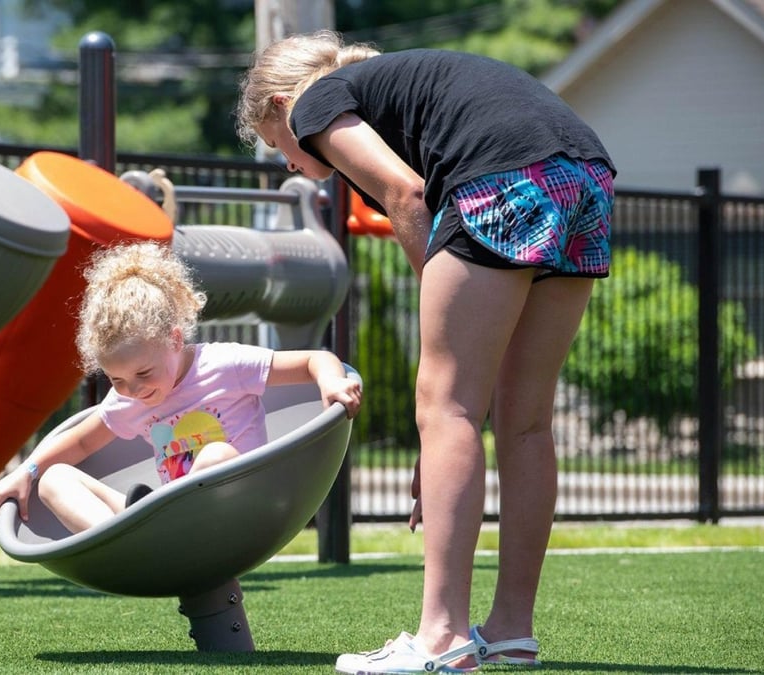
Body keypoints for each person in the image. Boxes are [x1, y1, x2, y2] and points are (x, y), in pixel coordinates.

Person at [236, 31, 615, 674]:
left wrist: (443, 319)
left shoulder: (315, 103)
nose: (290, 165)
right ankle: (511, 630)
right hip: (586, 175)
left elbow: (406, 195)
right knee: (525, 419)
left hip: (505, 173)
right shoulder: (393, 92)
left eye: (279, 148)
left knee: (448, 407)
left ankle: (440, 638)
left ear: (280, 106)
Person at [0, 240, 361, 534]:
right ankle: (123, 540)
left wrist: (331, 383)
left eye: (143, 374)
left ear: (174, 340)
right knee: (55, 479)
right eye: (117, 379)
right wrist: (30, 472)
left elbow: (315, 360)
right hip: (169, 517)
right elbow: (82, 441)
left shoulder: (223, 364)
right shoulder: (128, 398)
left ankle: (152, 527)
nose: (132, 390)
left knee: (216, 456)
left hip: (243, 509)